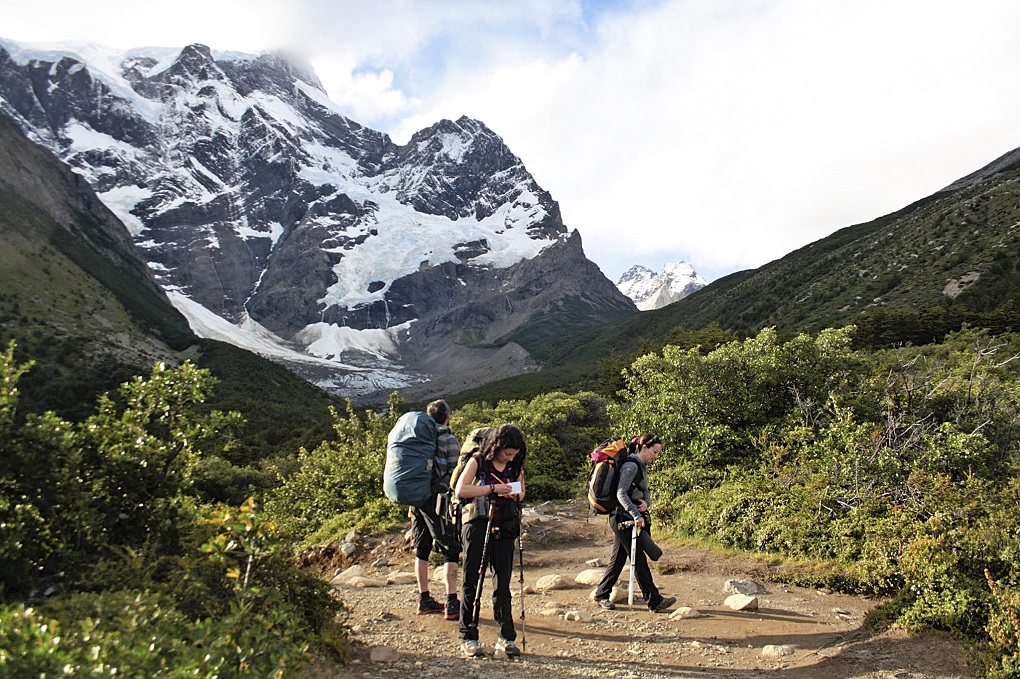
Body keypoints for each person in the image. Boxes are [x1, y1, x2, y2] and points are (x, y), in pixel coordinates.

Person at [454, 424, 527, 658]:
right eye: (507, 453)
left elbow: (522, 492)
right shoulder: (478, 460)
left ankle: (506, 637)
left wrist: (513, 492)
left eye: (514, 454)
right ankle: (468, 636)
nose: (510, 457)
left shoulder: (516, 464)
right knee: (471, 581)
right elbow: (460, 490)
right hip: (477, 523)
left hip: (505, 525)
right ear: (496, 447)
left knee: (503, 583)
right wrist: (493, 488)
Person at [593, 434, 676, 613]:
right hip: (624, 518)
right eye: (655, 452)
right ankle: (654, 600)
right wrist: (636, 514)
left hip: (626, 517)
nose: (656, 456)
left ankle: (601, 594)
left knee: (618, 559)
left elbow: (643, 490)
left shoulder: (640, 466)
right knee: (638, 559)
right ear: (644, 448)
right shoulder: (630, 466)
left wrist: (647, 504)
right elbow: (621, 494)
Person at [410, 399, 462, 620]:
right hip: (438, 501)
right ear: (447, 417)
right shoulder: (449, 439)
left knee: (421, 548)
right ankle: (452, 601)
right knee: (450, 547)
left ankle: (424, 598)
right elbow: (456, 473)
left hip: (417, 498)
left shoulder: (418, 440)